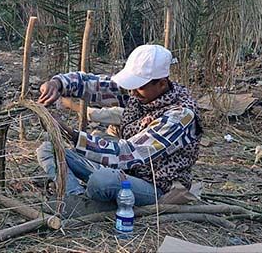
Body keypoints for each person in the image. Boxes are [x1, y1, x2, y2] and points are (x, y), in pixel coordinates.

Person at [36, 44, 203, 213]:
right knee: (48, 150)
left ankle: (86, 204)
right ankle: (76, 199)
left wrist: (70, 134)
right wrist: (57, 84)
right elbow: (94, 85)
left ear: (161, 84)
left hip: (156, 187)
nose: (132, 93)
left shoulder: (180, 116)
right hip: (123, 172)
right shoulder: (142, 93)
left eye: (138, 87)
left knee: (102, 181)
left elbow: (128, 153)